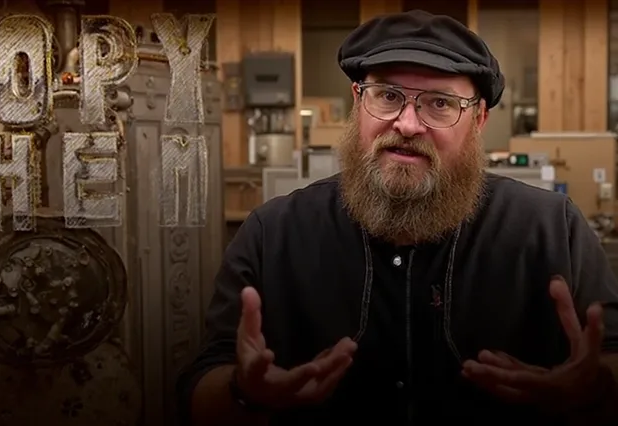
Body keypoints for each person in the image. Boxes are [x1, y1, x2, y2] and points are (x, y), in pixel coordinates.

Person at [176, 9, 618, 425]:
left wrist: (595, 388)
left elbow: (610, 362)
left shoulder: (552, 229)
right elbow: (199, 392)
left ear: (479, 119)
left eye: (439, 103)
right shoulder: (273, 234)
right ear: (357, 100)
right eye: (388, 96)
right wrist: (244, 391)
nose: (407, 123)